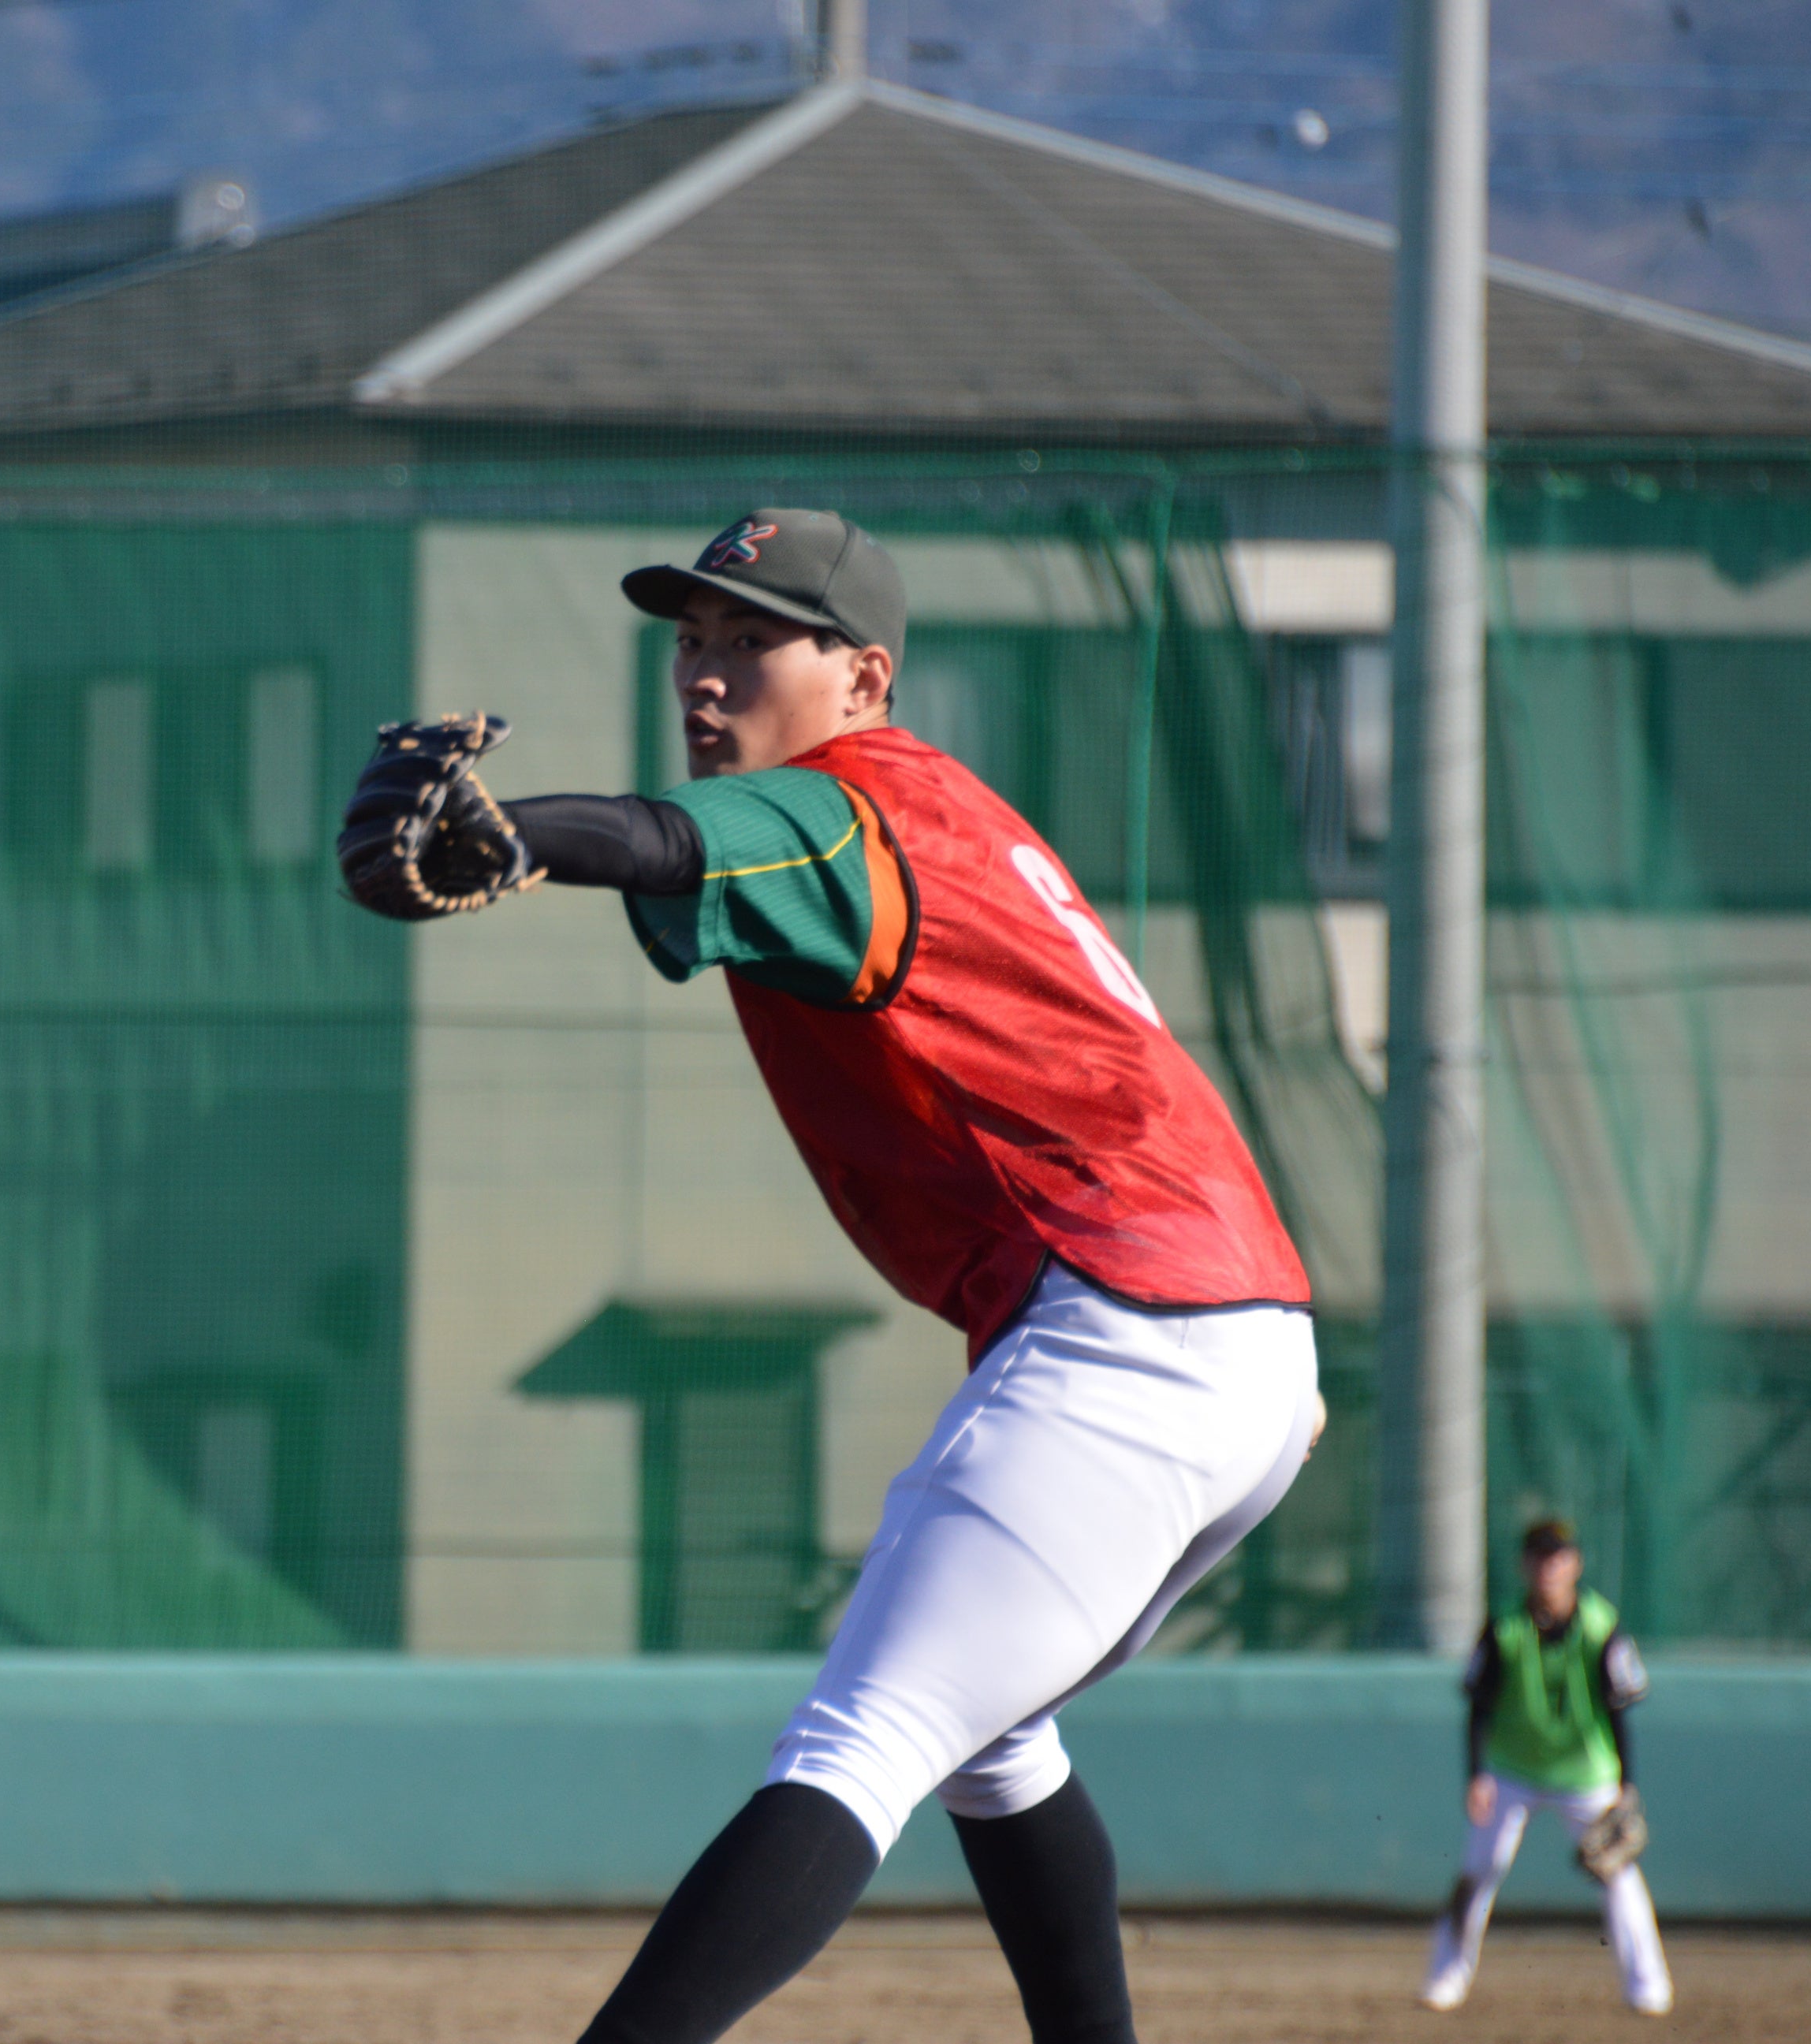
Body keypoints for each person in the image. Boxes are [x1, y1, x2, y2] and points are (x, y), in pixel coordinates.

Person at [343, 508, 1324, 2044]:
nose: (708, 672)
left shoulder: (844, 807)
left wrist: (521, 836)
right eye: (693, 638)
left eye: (753, 637)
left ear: (863, 674)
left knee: (865, 1738)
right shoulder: (946, 810)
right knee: (995, 1745)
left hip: (1132, 1328)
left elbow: (670, 837)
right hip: (1243, 1347)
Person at [1420, 1517, 1670, 2016]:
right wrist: (1477, 1774)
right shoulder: (1504, 1627)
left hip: (1586, 1773)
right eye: (1537, 1556)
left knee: (1617, 1872)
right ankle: (1446, 1977)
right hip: (1512, 1769)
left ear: (1574, 1564)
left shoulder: (1602, 1625)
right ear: (1523, 1565)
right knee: (1479, 1871)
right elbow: (1480, 1707)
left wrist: (1626, 1784)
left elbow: (1620, 1708)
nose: (1547, 1566)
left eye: (1557, 1556)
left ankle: (1647, 1986)